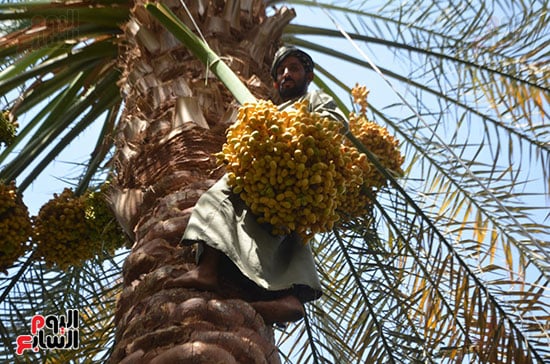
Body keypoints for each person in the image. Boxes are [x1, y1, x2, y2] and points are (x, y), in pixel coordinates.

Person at [168, 46, 347, 324]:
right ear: (275, 82)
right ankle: (282, 299)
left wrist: (292, 131)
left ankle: (211, 271)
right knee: (278, 235)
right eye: (281, 71)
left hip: (294, 181)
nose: (287, 74)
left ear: (308, 76)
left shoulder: (313, 100)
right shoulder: (269, 112)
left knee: (228, 198)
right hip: (267, 181)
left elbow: (335, 124)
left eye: (294, 69)